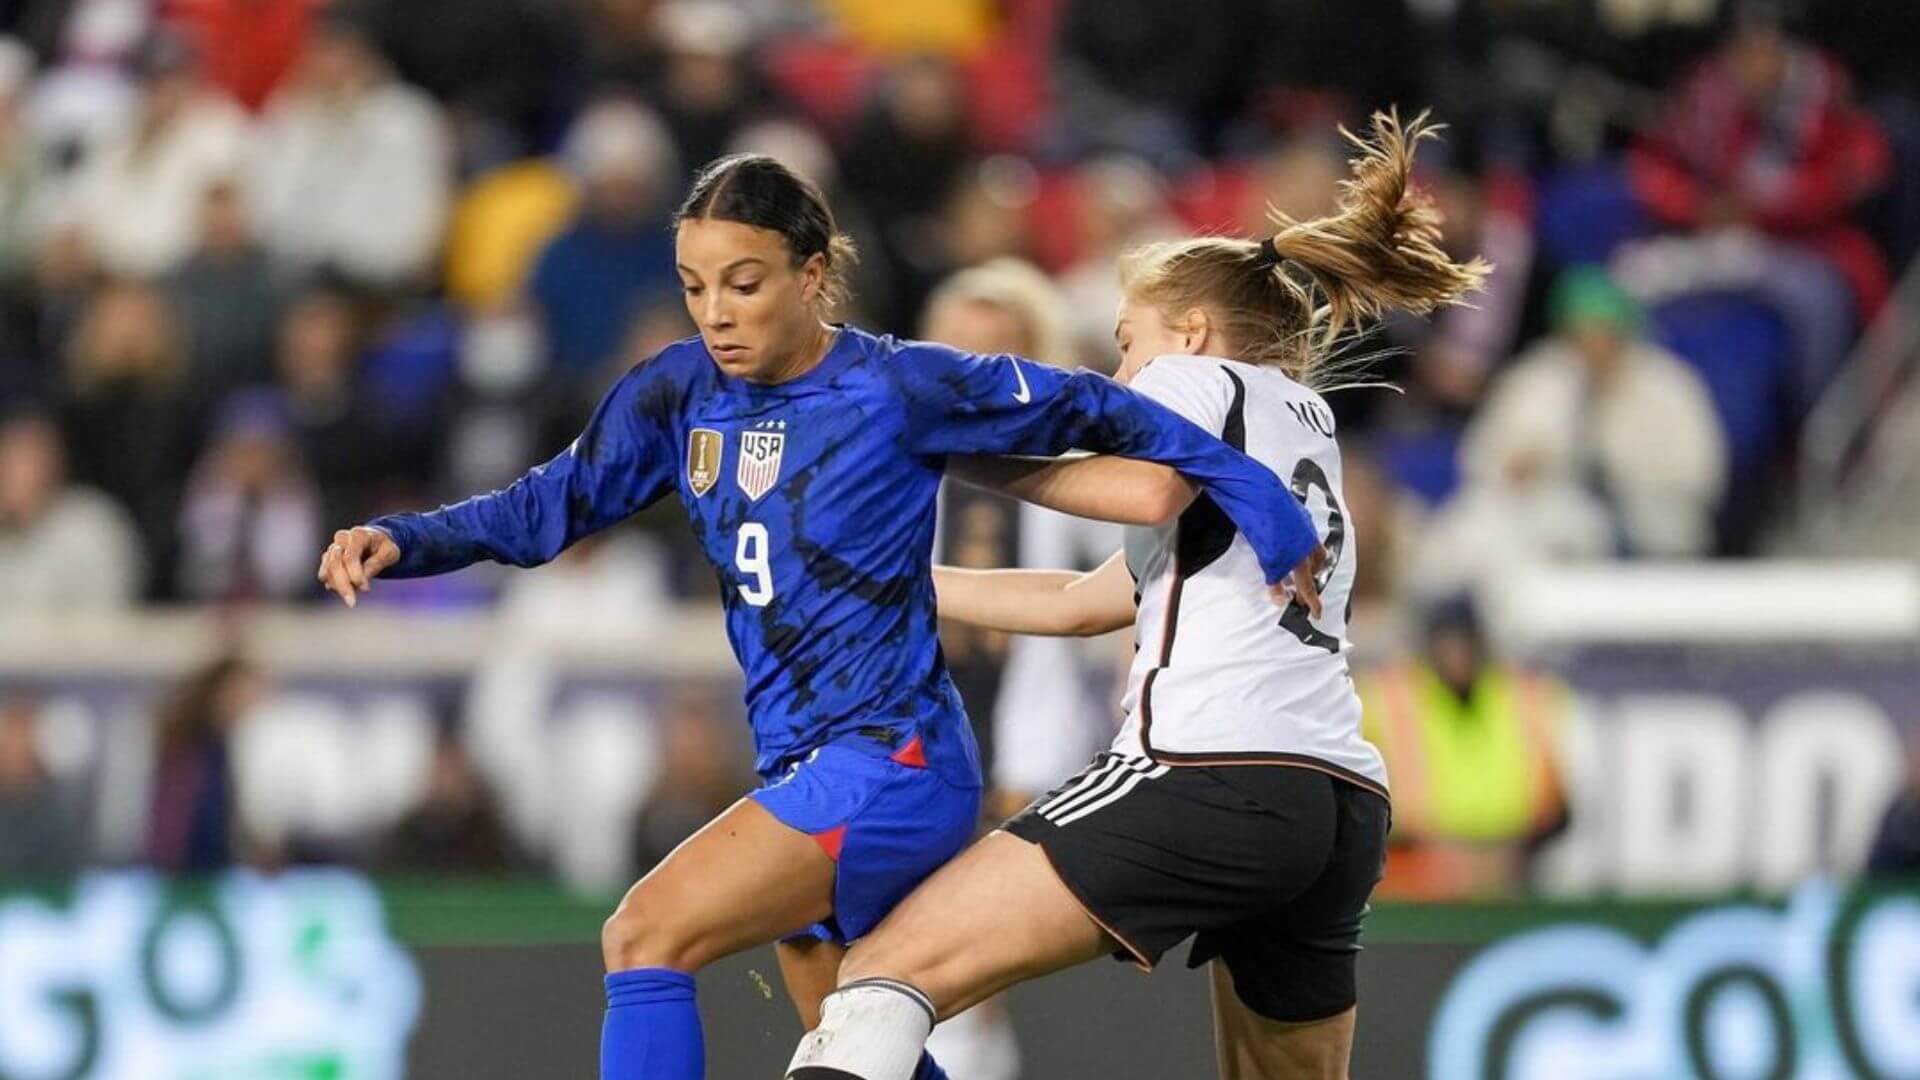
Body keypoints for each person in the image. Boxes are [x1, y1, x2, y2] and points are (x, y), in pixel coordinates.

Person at [312, 154, 1325, 1080]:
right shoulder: (678, 396)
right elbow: (549, 506)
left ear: (810, 273)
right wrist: (411, 537)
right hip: (802, 759)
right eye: (696, 287)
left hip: (892, 761)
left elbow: (1107, 412)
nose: (716, 313)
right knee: (848, 1033)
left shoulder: (898, 386)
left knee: (644, 934)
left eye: (744, 283)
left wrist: (1262, 502)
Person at [784, 112, 1487, 1080]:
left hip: (1208, 766)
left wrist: (958, 452)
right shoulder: (1304, 422)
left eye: (1127, 345)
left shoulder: (1196, 380)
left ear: (1190, 332)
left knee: (880, 973)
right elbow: (1087, 598)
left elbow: (1150, 485)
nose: (1123, 377)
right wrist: (903, 582)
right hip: (1333, 800)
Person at [1358, 597, 1570, 900]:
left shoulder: (1527, 697)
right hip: (1412, 882)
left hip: (1508, 879)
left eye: (1464, 641)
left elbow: (1559, 810)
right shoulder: (1387, 697)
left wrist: (1505, 854)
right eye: (1447, 641)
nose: (1456, 654)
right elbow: (1357, 806)